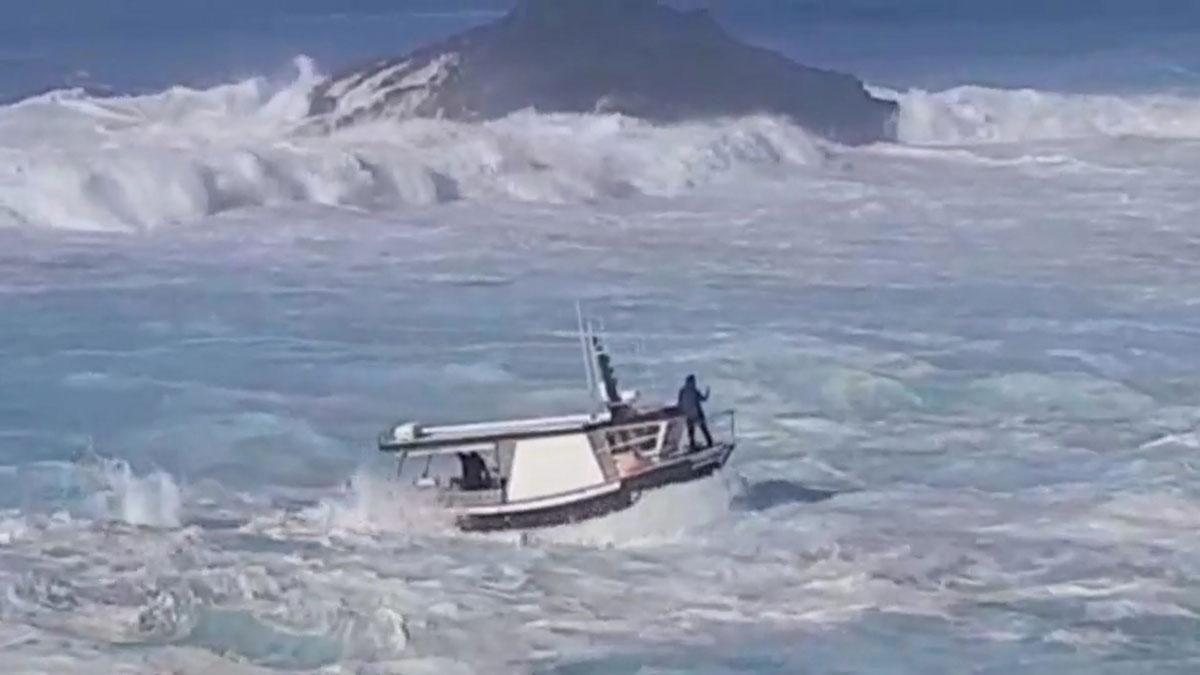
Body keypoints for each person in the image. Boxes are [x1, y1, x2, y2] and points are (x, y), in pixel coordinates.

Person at [677, 374, 713, 451]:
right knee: (703, 429)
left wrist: (681, 413)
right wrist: (707, 393)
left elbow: (679, 404)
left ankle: (692, 444)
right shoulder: (694, 391)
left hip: (688, 415)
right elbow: (704, 399)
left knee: (691, 431)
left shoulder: (682, 391)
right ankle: (709, 443)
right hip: (696, 414)